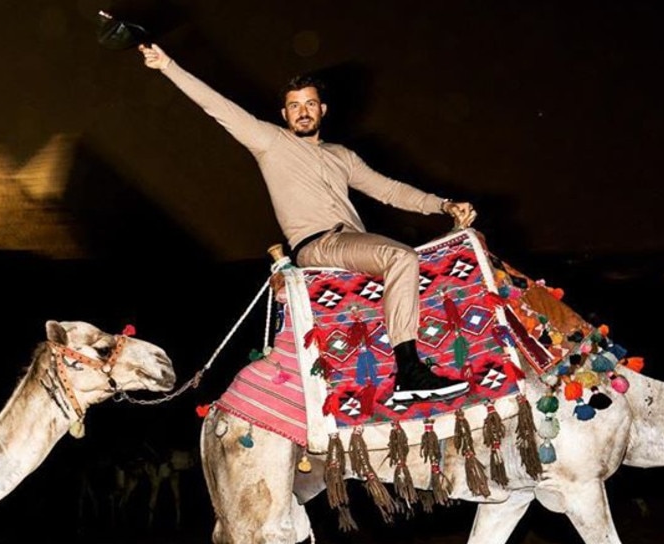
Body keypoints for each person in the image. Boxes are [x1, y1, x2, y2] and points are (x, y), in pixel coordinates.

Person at [139, 44, 474, 403]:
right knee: (401, 257)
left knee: (451, 254)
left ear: (322, 110)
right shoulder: (271, 142)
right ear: (284, 113)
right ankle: (409, 372)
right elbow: (218, 107)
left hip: (354, 245)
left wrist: (443, 204)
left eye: (310, 104)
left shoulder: (341, 155)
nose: (303, 112)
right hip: (318, 245)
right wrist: (168, 65)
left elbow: (388, 189)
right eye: (295, 106)